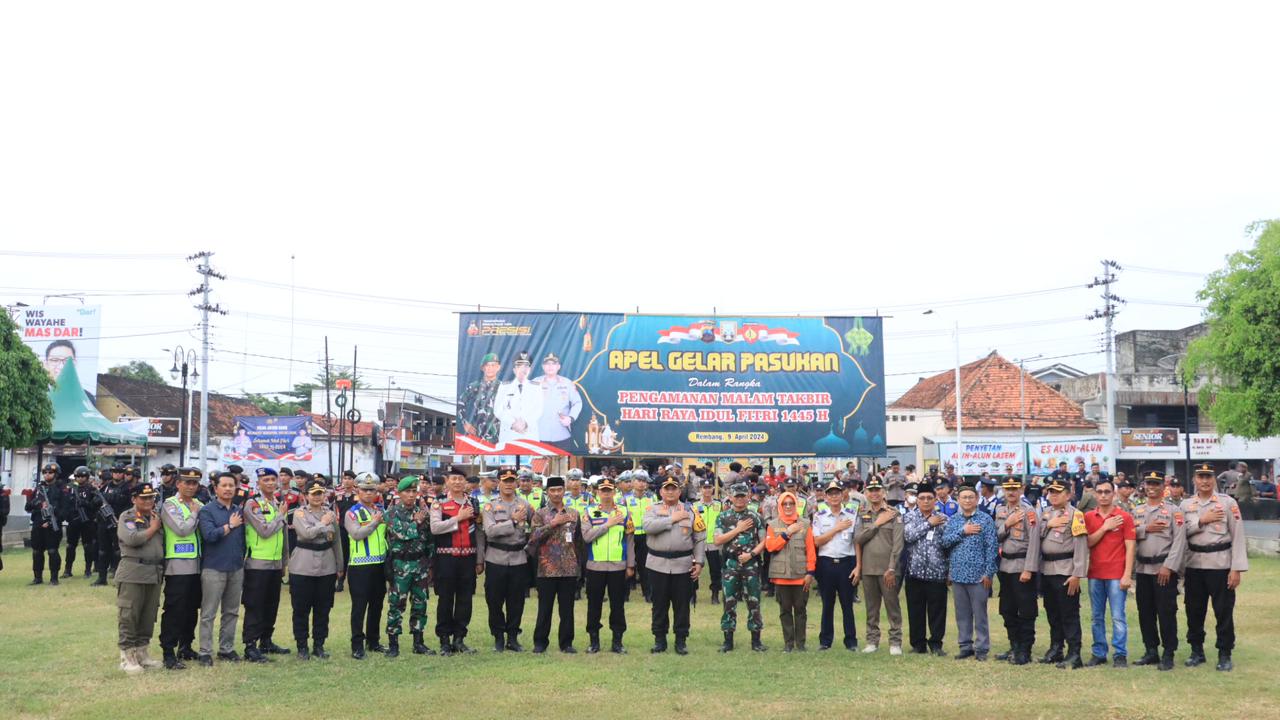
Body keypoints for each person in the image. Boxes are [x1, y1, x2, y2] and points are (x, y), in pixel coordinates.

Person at [1181, 463, 1249, 672]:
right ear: (1194, 479)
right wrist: (1202, 520)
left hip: (1220, 563)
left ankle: (1224, 653)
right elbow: (1181, 534)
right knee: (1194, 610)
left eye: (1208, 476)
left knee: (1223, 611)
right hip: (1194, 564)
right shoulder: (1186, 505)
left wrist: (1236, 568)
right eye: (1200, 476)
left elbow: (1238, 535)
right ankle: (1196, 650)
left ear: (1214, 479)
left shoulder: (1227, 503)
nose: (1204, 481)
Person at [1132, 471, 1188, 671]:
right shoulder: (1137, 511)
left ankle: (1168, 653)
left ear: (1163, 487)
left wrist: (1169, 567)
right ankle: (1151, 650)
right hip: (1142, 569)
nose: (1152, 487)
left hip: (1163, 569)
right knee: (1145, 612)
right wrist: (1145, 528)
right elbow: (1129, 534)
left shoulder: (1174, 511)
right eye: (1149, 483)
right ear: (1144, 485)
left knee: (1166, 612)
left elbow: (1180, 541)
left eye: (1156, 483)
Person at [643, 477, 705, 654]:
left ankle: (681, 640)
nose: (670, 492)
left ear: (679, 491)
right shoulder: (652, 509)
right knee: (659, 604)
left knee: (682, 604)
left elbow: (699, 537)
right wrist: (671, 519)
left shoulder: (690, 510)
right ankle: (659, 639)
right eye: (666, 488)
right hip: (657, 564)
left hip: (683, 565)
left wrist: (699, 562)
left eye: (674, 489)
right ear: (661, 491)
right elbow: (648, 527)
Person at [430, 465, 484, 655]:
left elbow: (478, 532)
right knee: (445, 599)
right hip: (446, 558)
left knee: (465, 599)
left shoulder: (473, 503)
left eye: (461, 479)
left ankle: (459, 638)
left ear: (465, 482)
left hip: (467, 558)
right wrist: (458, 518)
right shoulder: (439, 502)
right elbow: (435, 528)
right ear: (447, 481)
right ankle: (444, 640)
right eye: (453, 479)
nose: (457, 482)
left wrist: (480, 559)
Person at [1083, 477, 1136, 667]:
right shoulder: (1089, 517)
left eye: (1107, 492)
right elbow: (1087, 542)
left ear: (1113, 494)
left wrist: (1127, 574)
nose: (1103, 495)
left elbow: (1130, 547)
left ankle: (1120, 654)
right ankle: (1099, 652)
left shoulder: (1125, 517)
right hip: (1095, 573)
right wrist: (1105, 527)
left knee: (1117, 616)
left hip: (1116, 573)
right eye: (1100, 492)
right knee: (1096, 616)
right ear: (1095, 494)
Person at [289, 479, 343, 660]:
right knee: (301, 609)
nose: (318, 497)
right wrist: (322, 523)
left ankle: (319, 644)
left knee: (323, 608)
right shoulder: (299, 513)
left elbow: (336, 541)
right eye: (314, 494)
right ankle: (302, 645)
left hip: (326, 566)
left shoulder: (331, 513)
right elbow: (305, 534)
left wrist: (340, 565)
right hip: (303, 565)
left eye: (321, 493)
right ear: (305, 496)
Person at [1038, 477, 1089, 669]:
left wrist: (1077, 574)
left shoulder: (1076, 515)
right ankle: (1056, 649)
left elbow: (1081, 546)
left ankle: (1074, 653)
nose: (1053, 495)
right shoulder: (1046, 514)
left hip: (1066, 570)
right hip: (1047, 570)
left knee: (1069, 614)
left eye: (1058, 492)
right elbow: (1037, 536)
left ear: (1068, 495)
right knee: (1052, 613)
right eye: (1051, 492)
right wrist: (1049, 524)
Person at [942, 486, 998, 661]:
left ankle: (982, 648)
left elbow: (992, 547)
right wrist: (962, 532)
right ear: (958, 499)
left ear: (977, 499)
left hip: (978, 575)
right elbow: (945, 542)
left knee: (980, 613)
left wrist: (988, 573)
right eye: (964, 497)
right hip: (958, 574)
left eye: (970, 497)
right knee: (962, 613)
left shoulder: (985, 519)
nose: (967, 500)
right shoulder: (954, 520)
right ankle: (965, 645)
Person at [196, 472, 246, 665]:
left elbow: (242, 541)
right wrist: (230, 526)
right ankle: (205, 651)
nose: (227, 489)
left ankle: (226, 649)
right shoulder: (207, 510)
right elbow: (209, 535)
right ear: (215, 488)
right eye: (223, 485)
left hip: (235, 567)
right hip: (213, 567)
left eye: (231, 485)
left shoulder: (238, 510)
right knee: (209, 612)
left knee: (231, 611)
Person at [114, 484, 165, 674]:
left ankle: (142, 653)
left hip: (153, 572)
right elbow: (132, 539)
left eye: (151, 498)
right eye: (143, 498)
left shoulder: (155, 517)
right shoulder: (127, 517)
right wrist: (153, 529)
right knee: (129, 614)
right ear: (134, 499)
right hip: (133, 571)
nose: (148, 501)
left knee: (148, 615)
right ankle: (127, 656)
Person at [528, 476, 582, 653]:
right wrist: (552, 524)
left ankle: (566, 643)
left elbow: (578, 542)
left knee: (567, 609)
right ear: (547, 492)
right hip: (547, 569)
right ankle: (540, 642)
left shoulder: (573, 513)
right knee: (545, 608)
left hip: (568, 568)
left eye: (559, 490)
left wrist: (579, 566)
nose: (556, 493)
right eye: (553, 490)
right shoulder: (540, 513)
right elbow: (533, 538)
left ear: (564, 490)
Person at [481, 469, 533, 651]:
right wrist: (512, 521)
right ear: (499, 483)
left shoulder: (525, 505)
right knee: (494, 600)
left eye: (512, 480)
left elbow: (535, 529)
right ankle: (498, 637)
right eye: (505, 480)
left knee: (516, 600)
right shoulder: (490, 506)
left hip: (519, 558)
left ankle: (512, 637)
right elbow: (490, 531)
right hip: (496, 558)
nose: (509, 484)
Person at [580, 477, 634, 654]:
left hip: (618, 566)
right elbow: (586, 536)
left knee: (617, 605)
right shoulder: (589, 512)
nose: (606, 494)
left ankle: (617, 641)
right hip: (595, 566)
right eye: (602, 490)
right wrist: (607, 524)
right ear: (597, 492)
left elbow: (630, 540)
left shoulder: (624, 512)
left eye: (609, 490)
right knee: (594, 605)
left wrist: (630, 564)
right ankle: (593, 641)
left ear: (614, 492)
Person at [242, 468, 290, 662]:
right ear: (259, 483)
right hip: (258, 563)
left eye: (273, 479)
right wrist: (279, 515)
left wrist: (285, 561)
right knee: (255, 605)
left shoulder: (277, 503)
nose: (270, 483)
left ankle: (266, 640)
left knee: (272, 604)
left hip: (275, 562)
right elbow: (264, 531)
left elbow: (283, 535)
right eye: (266, 480)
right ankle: (250, 645)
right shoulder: (253, 504)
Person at [158, 468, 204, 669]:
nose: (191, 486)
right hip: (178, 565)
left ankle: (186, 645)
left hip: (198, 565)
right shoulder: (170, 505)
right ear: (178, 484)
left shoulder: (201, 504)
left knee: (192, 608)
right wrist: (194, 514)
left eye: (194, 483)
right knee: (175, 609)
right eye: (187, 482)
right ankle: (168, 651)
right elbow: (182, 529)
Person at [385, 476, 435, 658]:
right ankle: (393, 644)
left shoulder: (423, 512)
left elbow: (429, 541)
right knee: (397, 604)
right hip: (400, 565)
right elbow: (401, 534)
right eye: (407, 491)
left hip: (420, 564)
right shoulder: (391, 513)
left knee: (420, 604)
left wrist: (430, 564)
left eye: (414, 491)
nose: (411, 495)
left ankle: (418, 642)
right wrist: (415, 522)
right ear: (399, 493)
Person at [992, 477, 1041, 665]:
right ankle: (1014, 645)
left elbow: (1034, 542)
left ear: (1021, 489)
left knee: (1026, 610)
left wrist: (1029, 569)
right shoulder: (1000, 510)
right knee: (1007, 609)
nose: (1011, 492)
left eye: (1014, 488)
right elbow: (996, 535)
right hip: (1005, 566)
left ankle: (1025, 649)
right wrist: (1008, 523)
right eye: (1007, 489)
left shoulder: (1029, 512)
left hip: (1022, 566)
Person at [713, 483, 766, 652]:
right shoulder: (723, 517)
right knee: (729, 602)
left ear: (748, 496)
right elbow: (718, 540)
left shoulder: (755, 516)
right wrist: (738, 529)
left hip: (751, 564)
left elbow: (764, 540)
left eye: (743, 496)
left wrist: (751, 555)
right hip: (730, 565)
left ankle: (756, 640)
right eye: (737, 496)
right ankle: (728, 640)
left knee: (754, 602)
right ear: (730, 497)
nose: (740, 499)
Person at [853, 478, 904, 655]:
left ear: (883, 492)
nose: (874, 493)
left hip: (887, 569)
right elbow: (858, 539)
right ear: (866, 493)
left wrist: (891, 568)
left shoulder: (894, 513)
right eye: (871, 490)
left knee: (892, 606)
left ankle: (895, 642)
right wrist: (877, 524)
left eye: (877, 490)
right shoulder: (862, 513)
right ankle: (872, 640)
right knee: (871, 607)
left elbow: (898, 545)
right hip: (868, 569)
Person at [765, 491, 816, 652]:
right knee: (785, 611)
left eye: (791, 503)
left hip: (801, 576)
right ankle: (788, 643)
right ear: (780, 505)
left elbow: (810, 550)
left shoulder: (805, 524)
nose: (788, 506)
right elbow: (771, 547)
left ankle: (801, 644)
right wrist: (787, 533)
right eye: (785, 503)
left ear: (796, 505)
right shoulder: (773, 525)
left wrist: (810, 573)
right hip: (781, 577)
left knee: (801, 610)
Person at [812, 481, 860, 651]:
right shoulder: (819, 516)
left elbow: (857, 542)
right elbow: (817, 542)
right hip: (826, 563)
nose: (834, 497)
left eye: (837, 493)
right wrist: (836, 528)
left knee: (847, 604)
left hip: (847, 562)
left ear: (843, 495)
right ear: (825, 496)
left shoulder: (852, 515)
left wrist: (858, 566)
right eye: (830, 494)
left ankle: (851, 641)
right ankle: (825, 641)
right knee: (827, 604)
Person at [902, 482, 948, 656]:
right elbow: (908, 536)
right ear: (917, 500)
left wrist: (948, 570)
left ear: (935, 500)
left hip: (937, 573)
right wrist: (929, 523)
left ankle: (936, 643)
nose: (926, 501)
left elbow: (948, 545)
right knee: (915, 610)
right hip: (914, 572)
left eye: (930, 498)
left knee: (937, 610)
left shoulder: (944, 518)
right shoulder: (909, 517)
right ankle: (918, 644)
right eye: (922, 498)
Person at [345, 474, 388, 659]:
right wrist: (374, 522)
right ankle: (357, 645)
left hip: (380, 564)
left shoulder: (381, 510)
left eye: (372, 490)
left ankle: (373, 641)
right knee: (359, 607)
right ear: (357, 491)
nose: (369, 493)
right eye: (365, 490)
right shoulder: (352, 513)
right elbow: (356, 534)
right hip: (360, 566)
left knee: (377, 605)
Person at [25, 463, 69, 586]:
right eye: (45, 472)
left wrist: (52, 518)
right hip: (38, 524)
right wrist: (38, 503)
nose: (47, 475)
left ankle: (54, 578)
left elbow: (65, 510)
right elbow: (27, 506)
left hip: (53, 525)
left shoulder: (62, 489)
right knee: (37, 552)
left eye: (50, 472)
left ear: (56, 474)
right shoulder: (38, 489)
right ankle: (37, 577)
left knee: (52, 551)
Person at [532, 352, 583, 452]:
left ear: (558, 366)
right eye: (547, 364)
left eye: (553, 364)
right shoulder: (535, 383)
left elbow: (577, 403)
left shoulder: (567, 383)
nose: (550, 366)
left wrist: (570, 418)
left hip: (562, 435)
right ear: (543, 366)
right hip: (540, 435)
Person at [494, 351, 544, 444]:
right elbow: (498, 410)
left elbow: (539, 409)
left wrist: (525, 423)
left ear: (529, 369)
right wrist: (513, 423)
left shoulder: (536, 387)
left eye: (526, 366)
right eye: (519, 366)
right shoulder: (504, 386)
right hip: (509, 435)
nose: (523, 369)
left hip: (529, 434)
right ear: (514, 370)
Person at [625, 470, 656, 601]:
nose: (642, 484)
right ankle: (624, 594)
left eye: (644, 481)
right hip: (630, 535)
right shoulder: (625, 498)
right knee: (627, 564)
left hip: (646, 536)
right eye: (639, 480)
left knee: (645, 566)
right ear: (632, 482)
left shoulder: (652, 498)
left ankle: (647, 593)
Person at [459, 352, 502, 443]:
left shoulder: (503, 387)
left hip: (498, 435)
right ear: (483, 368)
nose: (490, 368)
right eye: (487, 365)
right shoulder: (475, 386)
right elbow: (460, 403)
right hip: (477, 434)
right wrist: (464, 422)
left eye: (493, 365)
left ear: (498, 367)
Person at [64, 465, 98, 579]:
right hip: (74, 520)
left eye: (82, 476)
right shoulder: (70, 489)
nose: (80, 478)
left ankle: (88, 569)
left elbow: (96, 504)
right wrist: (68, 515)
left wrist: (85, 503)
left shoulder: (92, 489)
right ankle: (67, 570)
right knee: (70, 546)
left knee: (88, 546)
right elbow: (65, 504)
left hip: (87, 521)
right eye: (77, 476)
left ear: (87, 477)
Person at [693, 480, 724, 604]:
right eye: (704, 487)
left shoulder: (719, 505)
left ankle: (715, 594)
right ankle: (692, 594)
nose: (706, 490)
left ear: (713, 489)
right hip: (698, 543)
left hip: (714, 543)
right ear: (700, 489)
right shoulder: (694, 506)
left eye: (709, 487)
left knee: (715, 570)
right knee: (694, 569)